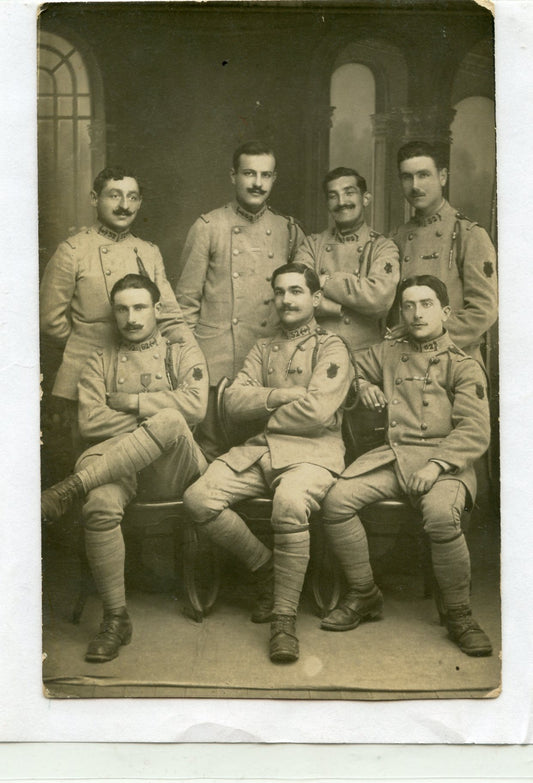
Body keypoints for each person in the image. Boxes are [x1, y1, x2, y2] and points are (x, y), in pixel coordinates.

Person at [183, 263, 353, 663]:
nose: (286, 300)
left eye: (296, 291)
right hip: (260, 450)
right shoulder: (263, 347)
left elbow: (317, 412)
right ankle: (267, 568)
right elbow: (231, 401)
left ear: (315, 299)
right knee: (197, 499)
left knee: (291, 503)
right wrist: (280, 395)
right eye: (279, 292)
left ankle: (283, 619)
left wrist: (262, 406)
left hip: (312, 454)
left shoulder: (332, 346)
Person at [320, 274, 493, 657]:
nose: (416, 314)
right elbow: (349, 365)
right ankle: (365, 594)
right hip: (394, 456)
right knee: (335, 501)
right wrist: (361, 386)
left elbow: (475, 431)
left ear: (445, 311)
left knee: (441, 516)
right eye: (409, 306)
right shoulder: (389, 351)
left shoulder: (462, 365)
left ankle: (460, 615)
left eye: (427, 304)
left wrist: (435, 466)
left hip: (446, 463)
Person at [41, 274, 208, 663]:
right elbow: (91, 424)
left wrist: (130, 402)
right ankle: (116, 618)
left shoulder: (181, 353)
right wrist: (155, 416)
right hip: (120, 471)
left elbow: (196, 408)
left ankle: (69, 486)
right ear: (114, 313)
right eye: (122, 309)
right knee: (99, 502)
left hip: (173, 470)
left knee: (170, 422)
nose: (131, 317)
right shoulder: (99, 359)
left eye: (139, 307)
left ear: (157, 309)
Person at [175, 140, 305, 461]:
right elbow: (185, 306)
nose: (257, 183)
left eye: (265, 175)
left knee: (262, 456)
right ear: (233, 176)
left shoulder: (288, 230)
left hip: (267, 367)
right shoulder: (208, 227)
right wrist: (191, 369)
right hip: (216, 364)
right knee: (209, 457)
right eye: (249, 173)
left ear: (274, 179)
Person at [40, 166, 189, 442]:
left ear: (140, 203)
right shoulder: (72, 251)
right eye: (114, 196)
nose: (124, 206)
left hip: (138, 377)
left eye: (132, 198)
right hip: (83, 376)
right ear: (94, 198)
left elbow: (169, 315)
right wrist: (84, 342)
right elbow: (49, 321)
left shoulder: (149, 251)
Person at [391, 141, 497, 363]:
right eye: (407, 177)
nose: (415, 185)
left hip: (455, 361)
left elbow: (484, 310)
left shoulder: (468, 234)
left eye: (423, 175)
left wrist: (429, 336)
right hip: (407, 363)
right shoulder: (397, 237)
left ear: (442, 177)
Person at [295, 166, 399, 351]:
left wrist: (326, 281)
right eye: (333, 196)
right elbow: (298, 297)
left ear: (366, 199)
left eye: (349, 193)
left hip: (365, 358)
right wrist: (342, 309)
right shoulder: (312, 244)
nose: (341, 202)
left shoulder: (383, 246)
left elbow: (379, 300)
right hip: (316, 351)